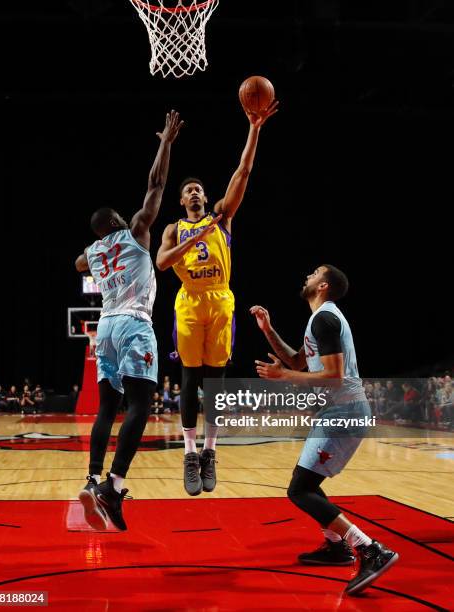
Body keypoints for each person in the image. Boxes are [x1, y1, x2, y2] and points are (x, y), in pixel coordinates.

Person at [251, 265, 398, 596]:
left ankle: (370, 549)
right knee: (308, 484)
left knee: (300, 490)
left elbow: (333, 375)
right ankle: (336, 546)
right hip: (338, 410)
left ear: (324, 285)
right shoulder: (319, 319)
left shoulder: (326, 319)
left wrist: (282, 378)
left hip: (344, 411)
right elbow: (298, 361)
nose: (307, 274)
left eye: (315, 272)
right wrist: (268, 330)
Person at [156, 99, 278, 496]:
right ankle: (190, 453)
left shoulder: (222, 217)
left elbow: (244, 170)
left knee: (217, 385)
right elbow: (161, 263)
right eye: (189, 190)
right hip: (189, 303)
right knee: (190, 380)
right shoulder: (174, 229)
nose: (195, 193)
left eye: (199, 190)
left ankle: (210, 451)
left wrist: (255, 128)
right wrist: (194, 239)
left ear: (206, 199)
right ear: (181, 200)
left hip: (221, 300)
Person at [74, 110, 183, 531]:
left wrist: (91, 253)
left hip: (105, 330)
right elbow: (156, 184)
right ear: (118, 223)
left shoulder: (94, 253)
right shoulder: (136, 229)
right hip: (135, 323)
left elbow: (78, 262)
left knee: (107, 408)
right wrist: (166, 142)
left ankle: (92, 476)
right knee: (141, 405)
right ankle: (113, 486)